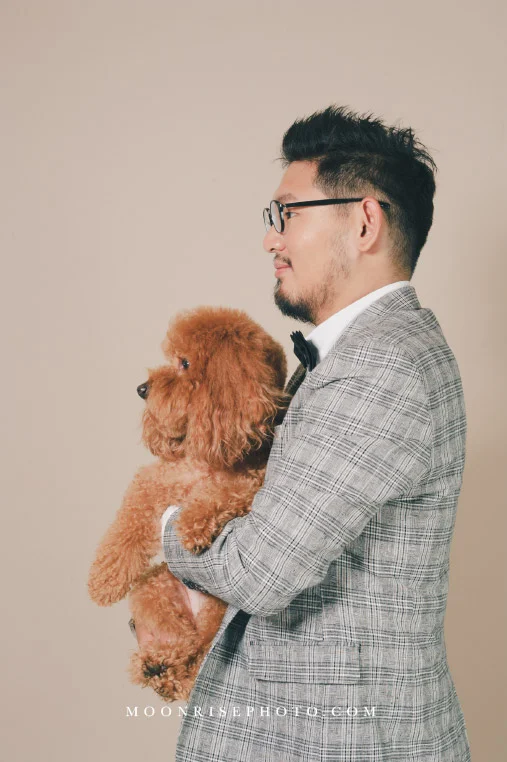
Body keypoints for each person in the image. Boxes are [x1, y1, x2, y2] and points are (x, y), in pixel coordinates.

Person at [159, 105, 471, 761]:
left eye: (288, 214)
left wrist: (164, 523)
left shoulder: (379, 364)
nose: (270, 240)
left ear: (364, 223)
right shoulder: (367, 352)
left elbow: (258, 572)